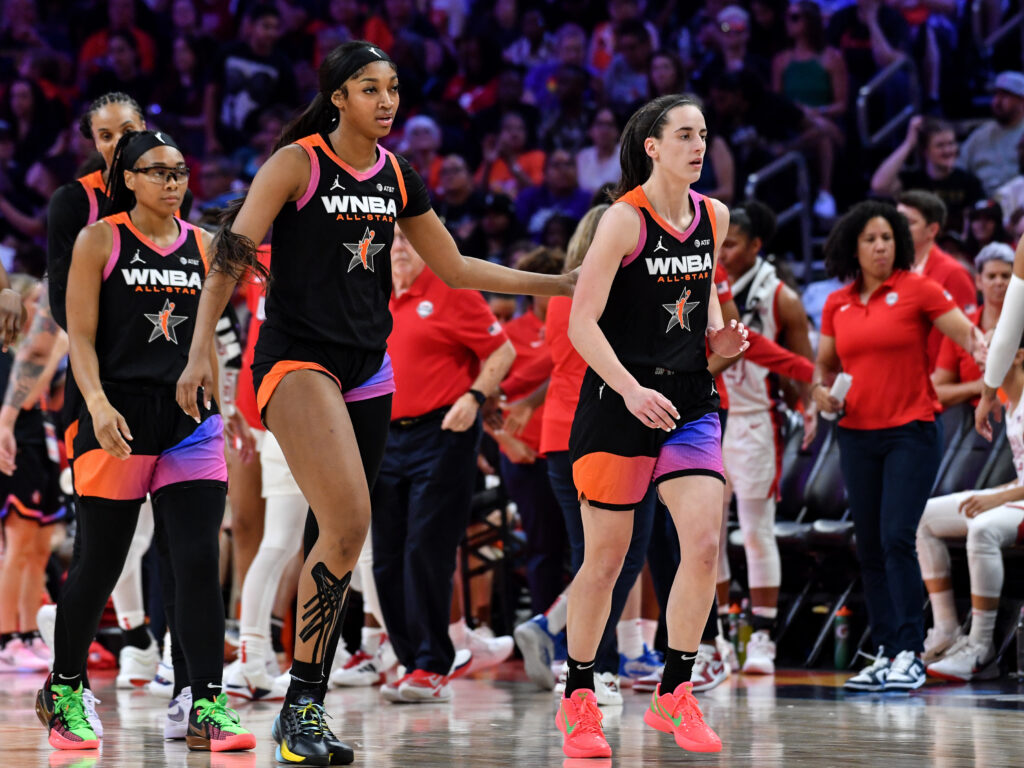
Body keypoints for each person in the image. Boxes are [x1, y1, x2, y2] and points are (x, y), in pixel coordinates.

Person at [175, 41, 575, 765]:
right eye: (369, 89)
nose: (386, 101)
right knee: (349, 517)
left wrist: (557, 283)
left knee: (342, 537)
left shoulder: (395, 174)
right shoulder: (297, 163)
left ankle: (304, 708)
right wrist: (202, 347)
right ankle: (295, 697)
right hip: (297, 361)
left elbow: (453, 264)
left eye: (392, 88)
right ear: (338, 98)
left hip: (369, 369)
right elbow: (231, 252)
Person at [38, 129, 254, 752]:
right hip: (119, 417)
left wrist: (226, 402)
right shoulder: (98, 239)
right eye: (158, 172)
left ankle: (206, 703)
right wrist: (98, 406)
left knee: (195, 561)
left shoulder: (208, 246)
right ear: (128, 178)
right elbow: (79, 337)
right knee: (102, 562)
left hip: (191, 419)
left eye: (181, 171)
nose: (173, 182)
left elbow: (207, 337)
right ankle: (66, 690)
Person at [558, 94, 747, 759]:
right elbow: (582, 323)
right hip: (619, 404)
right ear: (653, 146)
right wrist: (632, 388)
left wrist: (721, 343)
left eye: (705, 134)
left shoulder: (713, 217)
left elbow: (705, 300)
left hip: (690, 402)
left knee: (701, 546)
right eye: (686, 135)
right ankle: (579, 698)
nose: (700, 145)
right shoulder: (621, 221)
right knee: (606, 562)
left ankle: (675, 693)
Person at [813, 201, 982, 693]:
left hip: (911, 431)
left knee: (895, 538)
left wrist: (992, 379)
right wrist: (821, 394)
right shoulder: (837, 303)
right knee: (867, 545)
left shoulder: (919, 290)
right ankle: (886, 651)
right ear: (853, 247)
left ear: (900, 245)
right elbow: (824, 367)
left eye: (888, 238)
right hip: (856, 434)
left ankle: (910, 649)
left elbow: (968, 336)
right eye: (870, 239)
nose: (881, 246)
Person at [373, 224, 515, 703]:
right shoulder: (371, 292)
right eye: (391, 240)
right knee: (386, 556)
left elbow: (503, 351)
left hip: (445, 433)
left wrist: (475, 397)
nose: (399, 249)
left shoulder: (452, 289)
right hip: (384, 438)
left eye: (409, 240)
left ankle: (433, 663)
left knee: (425, 548)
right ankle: (411, 659)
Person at [716, 201, 813, 675]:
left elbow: (797, 369)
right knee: (707, 535)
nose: (722, 251)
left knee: (755, 532)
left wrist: (809, 408)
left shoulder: (782, 299)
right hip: (710, 417)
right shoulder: (703, 281)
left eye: (731, 244)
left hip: (757, 421)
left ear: (756, 246)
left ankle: (763, 640)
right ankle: (714, 638)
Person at [918, 331, 1024, 682]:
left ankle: (981, 647)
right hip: (1018, 498)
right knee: (924, 516)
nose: (982, 352)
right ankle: (946, 629)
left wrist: (995, 498)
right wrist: (999, 493)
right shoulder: (1010, 400)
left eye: (992, 345)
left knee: (983, 527)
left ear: (1018, 355)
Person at [0, 278, 61, 674]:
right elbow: (23, 392)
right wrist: (60, 349)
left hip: (44, 441)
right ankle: (7, 637)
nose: (44, 313)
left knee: (40, 547)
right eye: (37, 303)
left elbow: (46, 396)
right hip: (17, 446)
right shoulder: (12, 352)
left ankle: (28, 632)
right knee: (18, 545)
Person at [895, 190, 977, 369]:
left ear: (932, 230)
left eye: (909, 222)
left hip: (936, 381)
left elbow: (968, 337)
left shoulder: (953, 273)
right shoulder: (888, 269)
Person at [871, 117, 985, 235]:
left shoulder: (969, 182)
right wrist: (909, 143)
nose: (948, 150)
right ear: (925, 151)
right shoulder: (913, 180)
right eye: (940, 145)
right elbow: (879, 185)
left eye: (951, 144)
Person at [932, 243, 1013, 409]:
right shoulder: (962, 328)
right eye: (991, 276)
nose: (999, 282)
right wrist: (977, 387)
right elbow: (937, 390)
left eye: (1006, 276)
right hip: (973, 425)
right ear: (978, 281)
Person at [958, 71, 1024, 197]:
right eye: (996, 95)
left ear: (1022, 100)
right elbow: (958, 169)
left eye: (1005, 96)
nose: (997, 101)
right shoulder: (980, 135)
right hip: (984, 206)